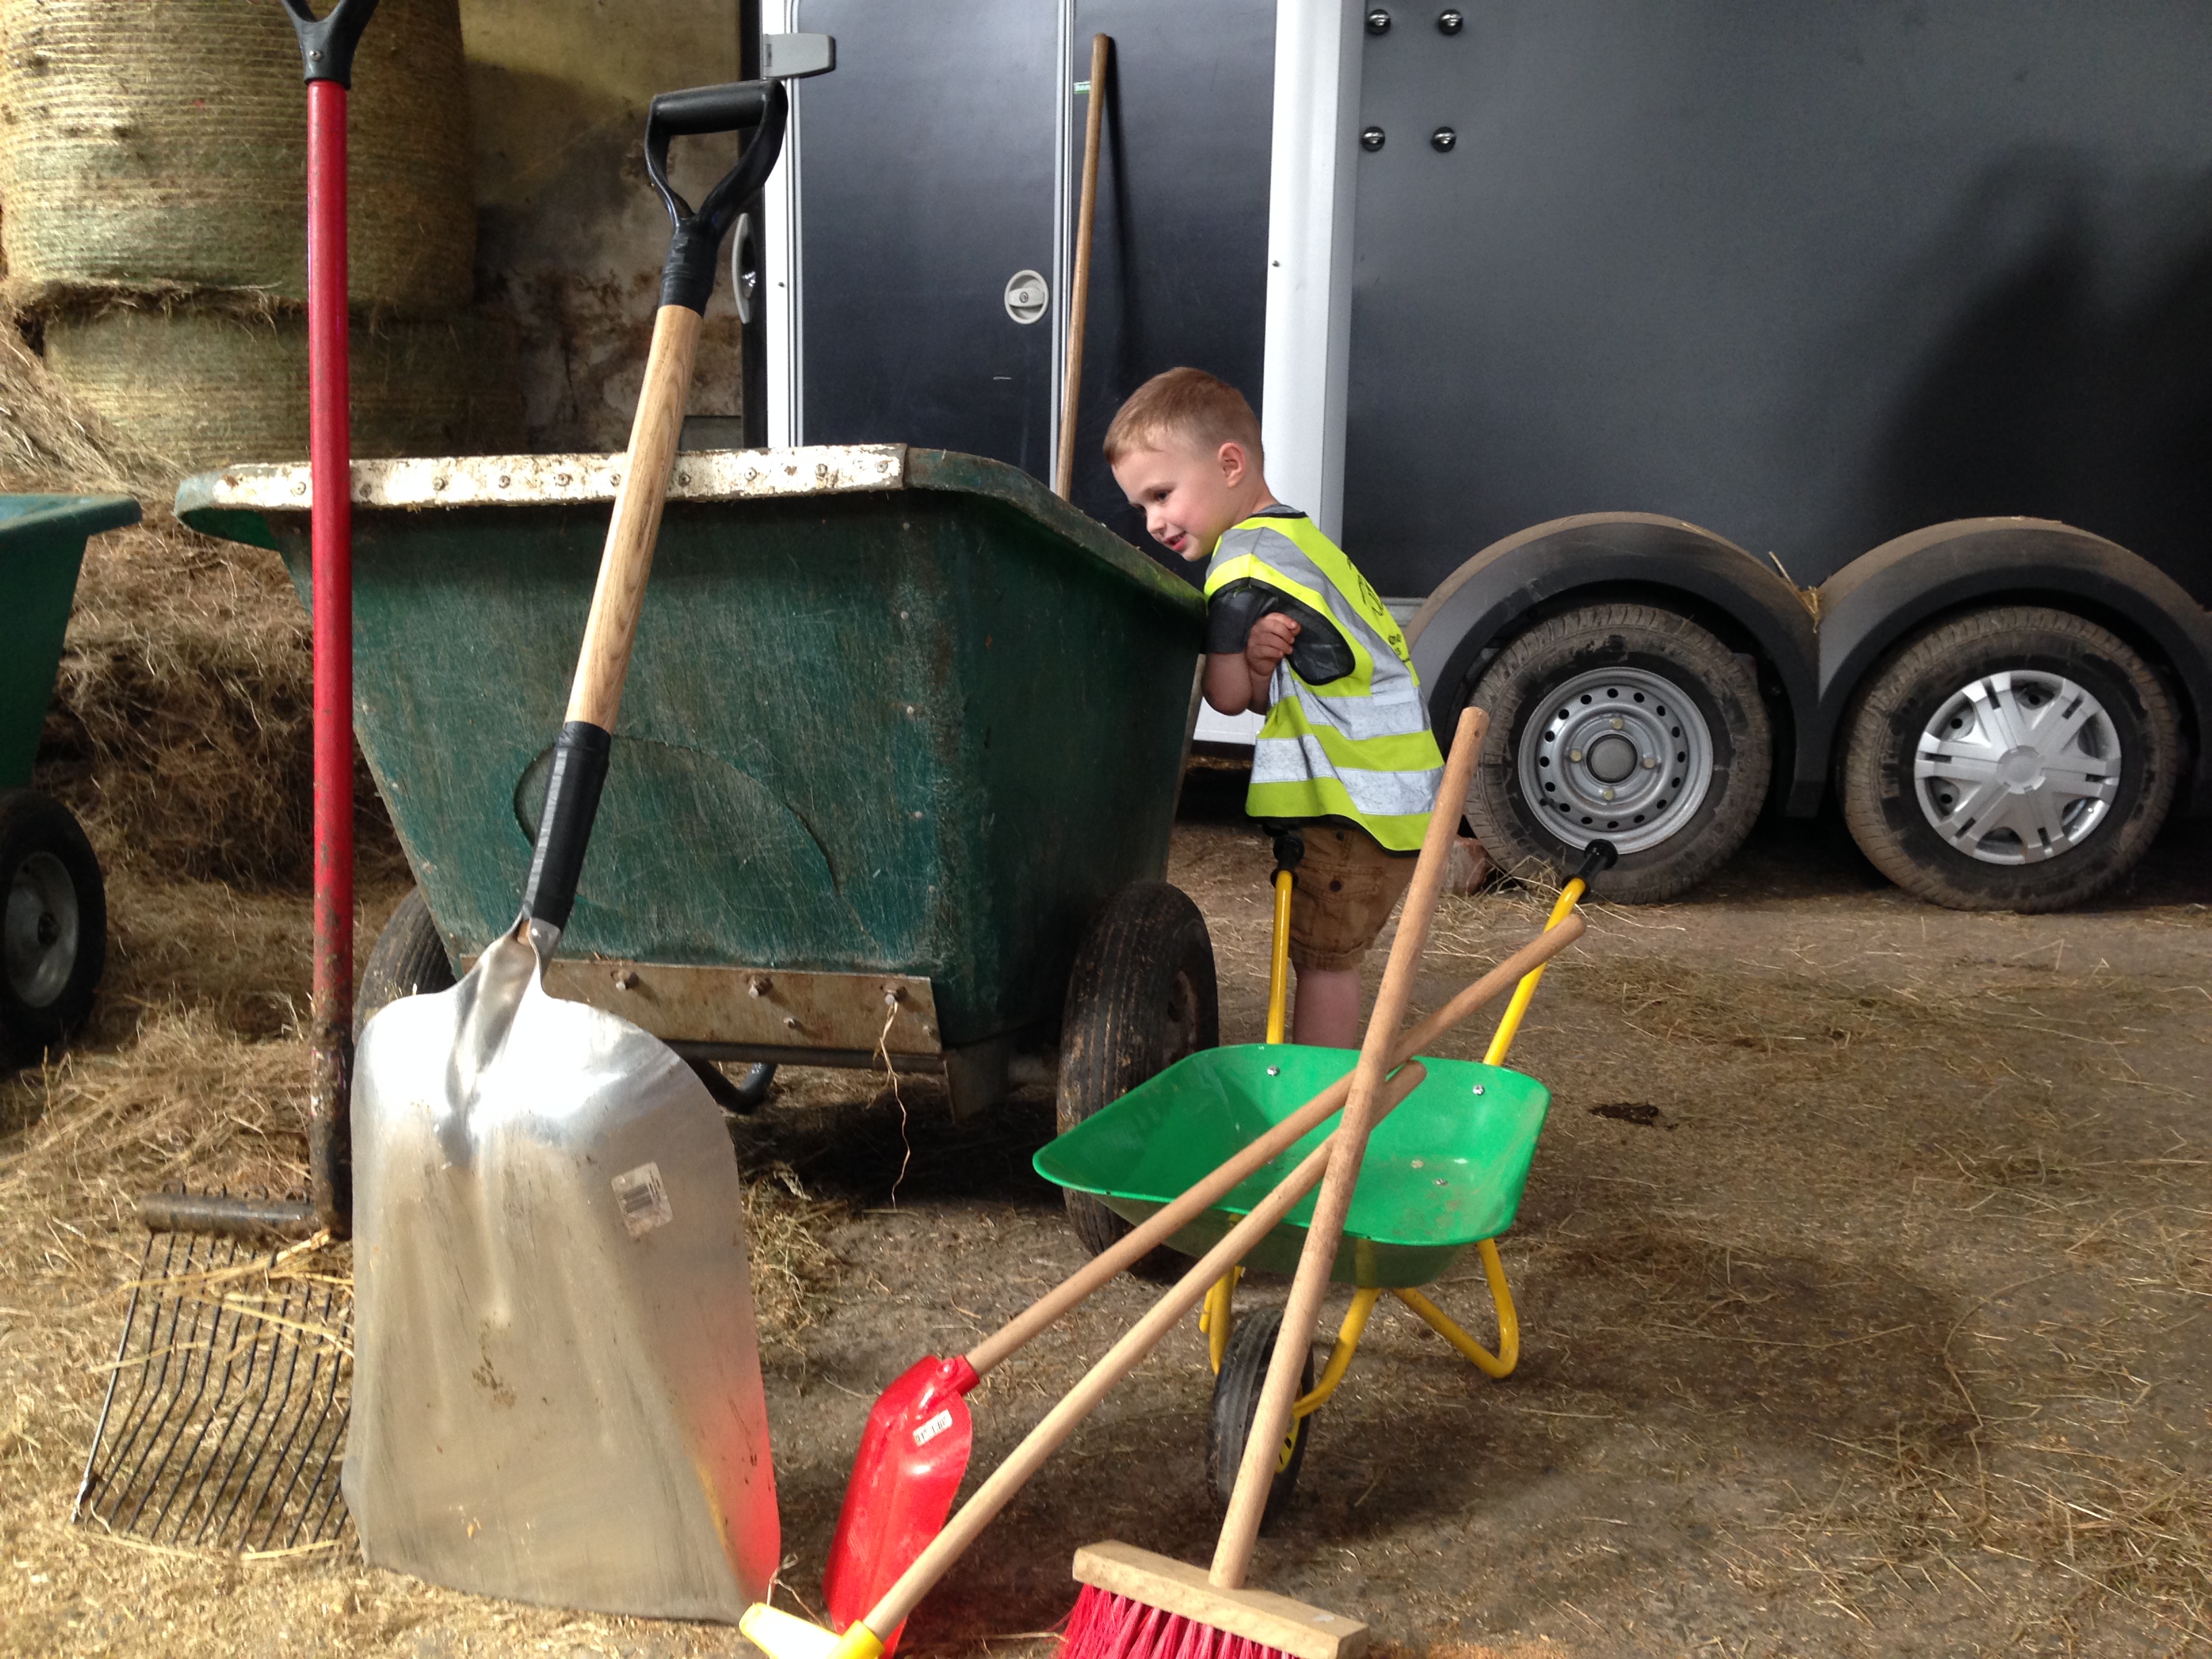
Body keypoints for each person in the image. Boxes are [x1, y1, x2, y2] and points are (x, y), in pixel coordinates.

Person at [1106, 366, 1458, 1048]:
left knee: (1324, 962)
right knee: (1333, 956)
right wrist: (1264, 661)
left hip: (1350, 802)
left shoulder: (1240, 567)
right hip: (1393, 794)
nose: (1153, 523)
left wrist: (1236, 660)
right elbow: (1305, 683)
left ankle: (1314, 1092)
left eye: (1162, 495)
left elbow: (1226, 696)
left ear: (1229, 464)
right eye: (1140, 507)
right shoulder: (1300, 544)